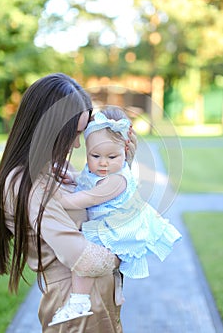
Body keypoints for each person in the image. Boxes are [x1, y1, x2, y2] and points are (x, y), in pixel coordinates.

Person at [0, 73, 136, 333]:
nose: (78, 144)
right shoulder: (27, 183)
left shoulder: (55, 167)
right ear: (51, 129)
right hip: (77, 307)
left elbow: (100, 205)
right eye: (74, 133)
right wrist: (127, 251)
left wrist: (122, 166)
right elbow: (84, 259)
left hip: (99, 300)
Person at [48, 107, 182, 326]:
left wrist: (53, 197)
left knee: (83, 255)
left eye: (112, 157)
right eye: (95, 156)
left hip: (118, 226)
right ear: (88, 150)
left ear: (124, 152)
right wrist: (68, 175)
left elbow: (83, 198)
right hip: (110, 222)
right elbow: (84, 179)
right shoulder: (99, 170)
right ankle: (117, 288)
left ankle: (79, 300)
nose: (103, 163)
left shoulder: (116, 181)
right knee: (113, 263)